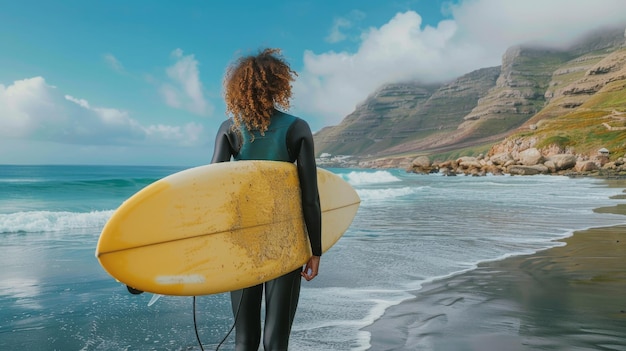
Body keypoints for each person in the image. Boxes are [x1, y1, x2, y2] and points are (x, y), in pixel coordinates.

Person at [210, 48, 322, 351]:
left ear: (238, 87)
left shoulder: (229, 129)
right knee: (276, 341)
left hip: (243, 244)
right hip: (286, 243)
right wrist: (316, 250)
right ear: (279, 85)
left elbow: (213, 192)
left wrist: (214, 246)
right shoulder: (297, 128)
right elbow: (310, 197)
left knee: (244, 339)